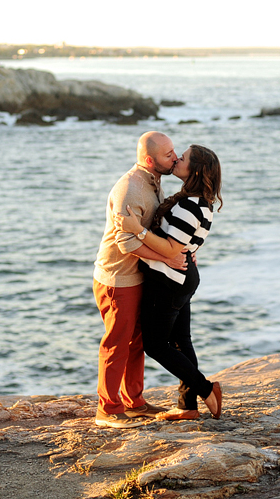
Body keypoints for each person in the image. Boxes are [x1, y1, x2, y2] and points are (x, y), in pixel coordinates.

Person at [113, 144, 223, 421]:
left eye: (182, 158)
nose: (177, 159)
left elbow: (171, 249)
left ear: (194, 170)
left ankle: (206, 389)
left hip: (169, 281)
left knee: (156, 345)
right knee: (181, 341)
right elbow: (184, 244)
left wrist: (136, 229)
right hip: (181, 278)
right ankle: (187, 407)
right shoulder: (200, 200)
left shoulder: (190, 204)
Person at [92, 131, 187, 428]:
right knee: (117, 342)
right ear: (150, 160)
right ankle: (107, 409)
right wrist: (168, 257)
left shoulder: (153, 181)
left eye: (174, 151)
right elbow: (126, 243)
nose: (175, 157)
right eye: (168, 154)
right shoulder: (130, 189)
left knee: (137, 341)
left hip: (139, 274)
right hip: (118, 278)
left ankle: (133, 401)